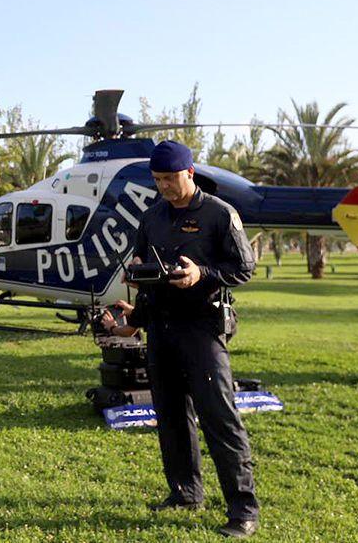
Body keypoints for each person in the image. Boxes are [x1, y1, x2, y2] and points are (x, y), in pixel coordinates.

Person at [101, 140, 259, 539]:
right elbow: (146, 275)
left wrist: (201, 274)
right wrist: (135, 313)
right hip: (162, 331)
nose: (165, 187)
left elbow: (242, 268)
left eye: (170, 179)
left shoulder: (219, 214)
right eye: (158, 180)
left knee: (219, 419)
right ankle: (186, 492)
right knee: (171, 418)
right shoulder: (152, 217)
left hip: (201, 329)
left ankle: (242, 510)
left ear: (189, 173)